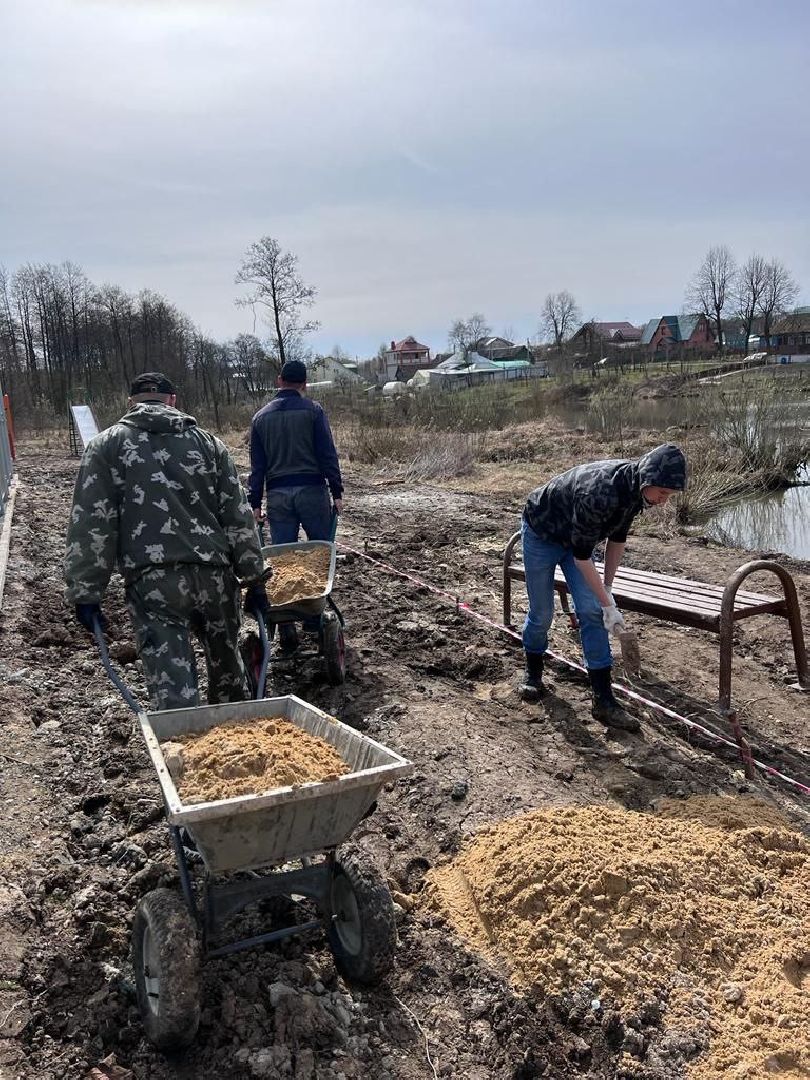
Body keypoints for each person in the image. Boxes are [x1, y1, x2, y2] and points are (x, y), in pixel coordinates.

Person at [65, 371, 269, 711]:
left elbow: (92, 523)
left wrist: (86, 592)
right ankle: (237, 735)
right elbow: (237, 515)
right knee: (229, 676)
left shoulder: (106, 446)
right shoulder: (208, 444)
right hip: (215, 578)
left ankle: (184, 740)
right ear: (172, 400)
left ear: (130, 402)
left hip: (155, 584)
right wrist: (254, 578)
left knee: (174, 689)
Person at [518, 443, 688, 730]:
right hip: (542, 533)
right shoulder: (599, 493)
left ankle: (604, 701)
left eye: (669, 496)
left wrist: (606, 590)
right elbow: (582, 557)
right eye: (662, 493)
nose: (663, 501)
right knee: (542, 613)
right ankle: (533, 673)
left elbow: (617, 539)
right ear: (648, 478)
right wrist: (608, 604)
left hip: (577, 541)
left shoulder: (636, 492)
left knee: (592, 612)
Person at [248, 359, 344, 649]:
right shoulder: (313, 411)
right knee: (319, 553)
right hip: (312, 491)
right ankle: (313, 617)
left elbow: (257, 467)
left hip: (278, 495)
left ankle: (285, 623)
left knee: (283, 559)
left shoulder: (260, 418)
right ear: (304, 384)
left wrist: (255, 502)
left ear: (279, 381)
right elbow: (327, 453)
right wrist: (337, 491)